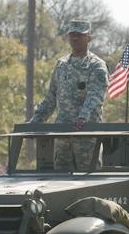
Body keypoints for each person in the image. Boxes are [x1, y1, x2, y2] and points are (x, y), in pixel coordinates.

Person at [29, 19, 108, 170]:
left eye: (79, 35)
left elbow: (95, 96)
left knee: (88, 179)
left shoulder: (96, 65)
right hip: (62, 133)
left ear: (88, 37)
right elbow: (51, 97)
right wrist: (36, 120)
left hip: (86, 134)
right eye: (72, 34)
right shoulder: (61, 65)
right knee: (61, 179)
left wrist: (82, 117)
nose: (75, 38)